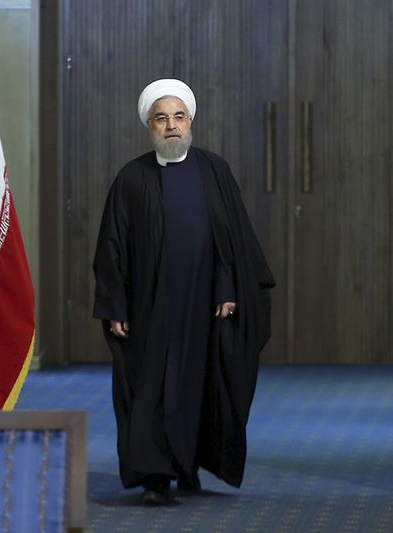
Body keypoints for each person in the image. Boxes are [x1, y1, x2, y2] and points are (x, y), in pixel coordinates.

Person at [92, 79, 275, 505]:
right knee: (150, 388)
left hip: (204, 304)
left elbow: (231, 239)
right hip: (148, 307)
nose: (171, 126)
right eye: (162, 118)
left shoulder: (214, 170)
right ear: (149, 127)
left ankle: (187, 464)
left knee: (196, 386)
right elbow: (110, 249)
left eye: (179, 117)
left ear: (190, 122)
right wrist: (115, 303)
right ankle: (155, 475)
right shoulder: (132, 178)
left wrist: (228, 288)